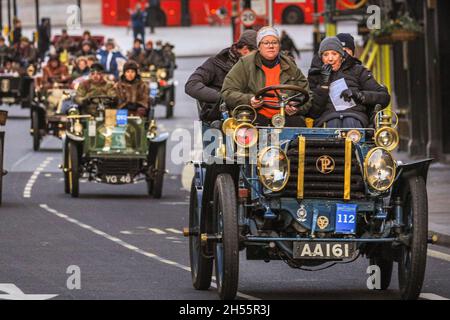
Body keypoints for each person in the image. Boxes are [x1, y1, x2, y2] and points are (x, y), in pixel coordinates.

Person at [221, 27, 312, 127]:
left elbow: (307, 94)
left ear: (279, 46)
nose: (271, 46)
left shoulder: (290, 65)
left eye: (274, 42)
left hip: (285, 116)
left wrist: (297, 107)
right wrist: (249, 100)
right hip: (255, 115)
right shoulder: (245, 64)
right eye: (266, 43)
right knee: (248, 129)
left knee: (300, 127)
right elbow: (227, 92)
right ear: (259, 46)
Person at [307, 37, 390, 128]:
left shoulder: (358, 71)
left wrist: (359, 95)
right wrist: (324, 85)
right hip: (328, 118)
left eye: (334, 54)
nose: (330, 59)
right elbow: (313, 112)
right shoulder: (315, 75)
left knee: (350, 123)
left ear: (341, 56)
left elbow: (384, 97)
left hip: (355, 116)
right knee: (333, 125)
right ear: (321, 58)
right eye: (325, 55)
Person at [185, 29, 257, 122]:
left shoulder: (258, 65)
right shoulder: (215, 63)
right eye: (256, 53)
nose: (259, 57)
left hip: (253, 115)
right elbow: (191, 85)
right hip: (221, 118)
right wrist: (223, 98)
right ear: (245, 50)